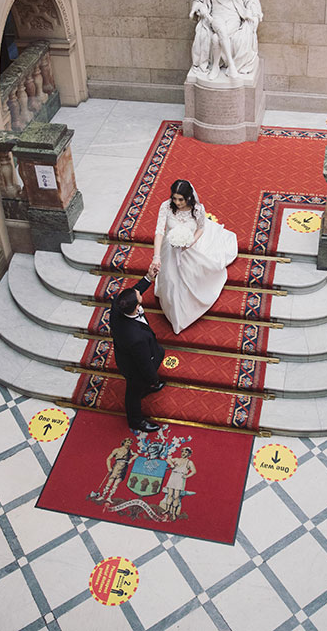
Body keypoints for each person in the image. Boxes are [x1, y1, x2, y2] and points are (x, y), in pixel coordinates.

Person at [151, 179, 237, 334]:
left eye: (180, 199)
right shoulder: (165, 207)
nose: (177, 202)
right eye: (174, 198)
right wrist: (156, 257)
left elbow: (200, 229)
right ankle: (176, 314)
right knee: (170, 279)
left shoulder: (197, 209)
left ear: (188, 198)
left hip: (189, 247)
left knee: (194, 275)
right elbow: (159, 231)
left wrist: (189, 243)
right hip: (169, 249)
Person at [110, 264, 166, 432]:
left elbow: (135, 291)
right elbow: (144, 364)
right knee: (134, 391)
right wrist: (152, 379)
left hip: (126, 353)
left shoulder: (119, 305)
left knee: (157, 355)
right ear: (135, 308)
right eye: (139, 299)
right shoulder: (136, 339)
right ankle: (135, 420)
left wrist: (149, 277)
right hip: (135, 367)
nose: (139, 295)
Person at [190, 0, 263, 81]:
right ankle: (231, 66)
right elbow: (198, 0)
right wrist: (194, 10)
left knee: (215, 37)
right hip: (215, 16)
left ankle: (215, 68)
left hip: (233, 17)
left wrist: (254, 11)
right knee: (220, 31)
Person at [159, 446, 197, 520]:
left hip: (180, 478)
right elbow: (168, 459)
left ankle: (173, 513)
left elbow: (194, 471)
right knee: (169, 495)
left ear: (189, 454)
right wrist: (172, 465)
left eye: (186, 452)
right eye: (183, 452)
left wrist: (186, 476)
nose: (183, 453)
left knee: (176, 496)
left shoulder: (189, 462)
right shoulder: (177, 459)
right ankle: (167, 509)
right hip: (173, 476)